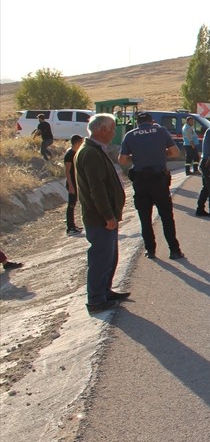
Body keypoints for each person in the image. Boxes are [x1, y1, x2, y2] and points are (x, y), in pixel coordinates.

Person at [74, 113, 129, 313]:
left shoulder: (97, 150)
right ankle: (96, 300)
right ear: (102, 130)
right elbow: (96, 188)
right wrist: (107, 216)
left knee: (109, 257)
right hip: (99, 218)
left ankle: (105, 291)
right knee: (100, 258)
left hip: (105, 216)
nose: (114, 132)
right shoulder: (90, 153)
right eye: (112, 128)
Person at [119, 111, 184, 260]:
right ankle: (174, 250)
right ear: (152, 121)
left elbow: (122, 161)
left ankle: (150, 250)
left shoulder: (130, 135)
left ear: (137, 123)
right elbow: (175, 152)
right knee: (166, 216)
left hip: (141, 181)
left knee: (145, 218)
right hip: (159, 180)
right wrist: (161, 153)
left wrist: (135, 156)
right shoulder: (161, 131)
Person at [64, 135, 84, 234]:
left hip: (76, 182)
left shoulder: (76, 153)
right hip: (71, 183)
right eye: (81, 142)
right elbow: (67, 171)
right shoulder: (69, 154)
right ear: (77, 143)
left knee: (74, 203)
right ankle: (70, 227)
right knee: (71, 205)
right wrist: (71, 185)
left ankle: (73, 225)